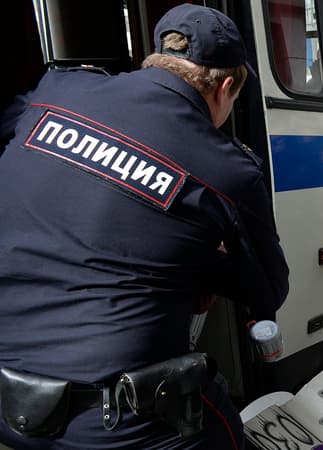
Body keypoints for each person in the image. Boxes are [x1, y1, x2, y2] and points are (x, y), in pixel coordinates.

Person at [0, 4, 289, 449]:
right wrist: (200, 258)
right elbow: (268, 291)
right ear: (226, 87)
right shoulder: (227, 168)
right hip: (121, 424)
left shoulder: (57, 89)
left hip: (11, 405)